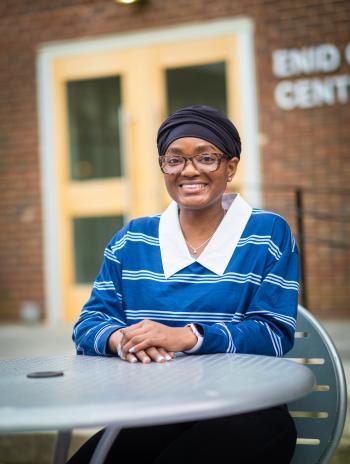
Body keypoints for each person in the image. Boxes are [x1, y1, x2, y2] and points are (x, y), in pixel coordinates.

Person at [68, 105, 299, 463]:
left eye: (206, 158)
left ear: (231, 167)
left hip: (244, 410)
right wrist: (122, 340)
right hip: (152, 411)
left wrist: (188, 337)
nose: (189, 171)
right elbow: (90, 324)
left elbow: (273, 333)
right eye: (174, 160)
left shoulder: (267, 233)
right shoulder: (132, 239)